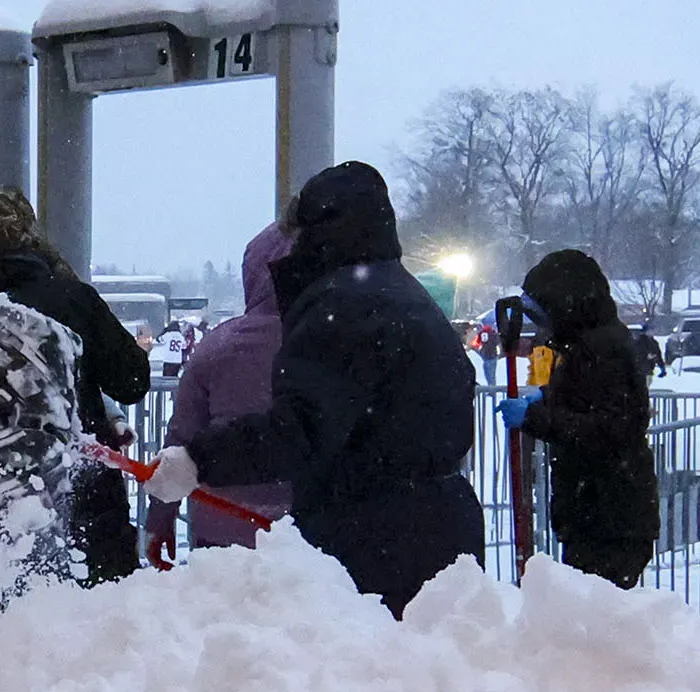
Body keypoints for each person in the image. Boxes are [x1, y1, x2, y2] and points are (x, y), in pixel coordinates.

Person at [144, 161, 484, 619]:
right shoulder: (403, 293)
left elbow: (301, 427)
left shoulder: (343, 304)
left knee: (361, 678)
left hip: (373, 539)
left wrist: (200, 460)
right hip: (441, 530)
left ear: (316, 231)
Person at [0, 187, 152, 588]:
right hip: (86, 513)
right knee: (102, 636)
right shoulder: (70, 296)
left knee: (0, 640)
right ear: (29, 233)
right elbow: (132, 380)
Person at [498, 251, 659, 588]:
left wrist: (537, 418)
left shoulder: (604, 351)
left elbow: (611, 428)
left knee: (599, 617)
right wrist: (547, 399)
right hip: (595, 512)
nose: (543, 325)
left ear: (565, 305)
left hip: (610, 518)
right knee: (590, 612)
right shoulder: (584, 345)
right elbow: (587, 403)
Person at [144, 222, 294, 568]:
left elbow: (180, 438)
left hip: (222, 524)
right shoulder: (328, 342)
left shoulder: (219, 347)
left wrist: (160, 519)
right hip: (305, 532)